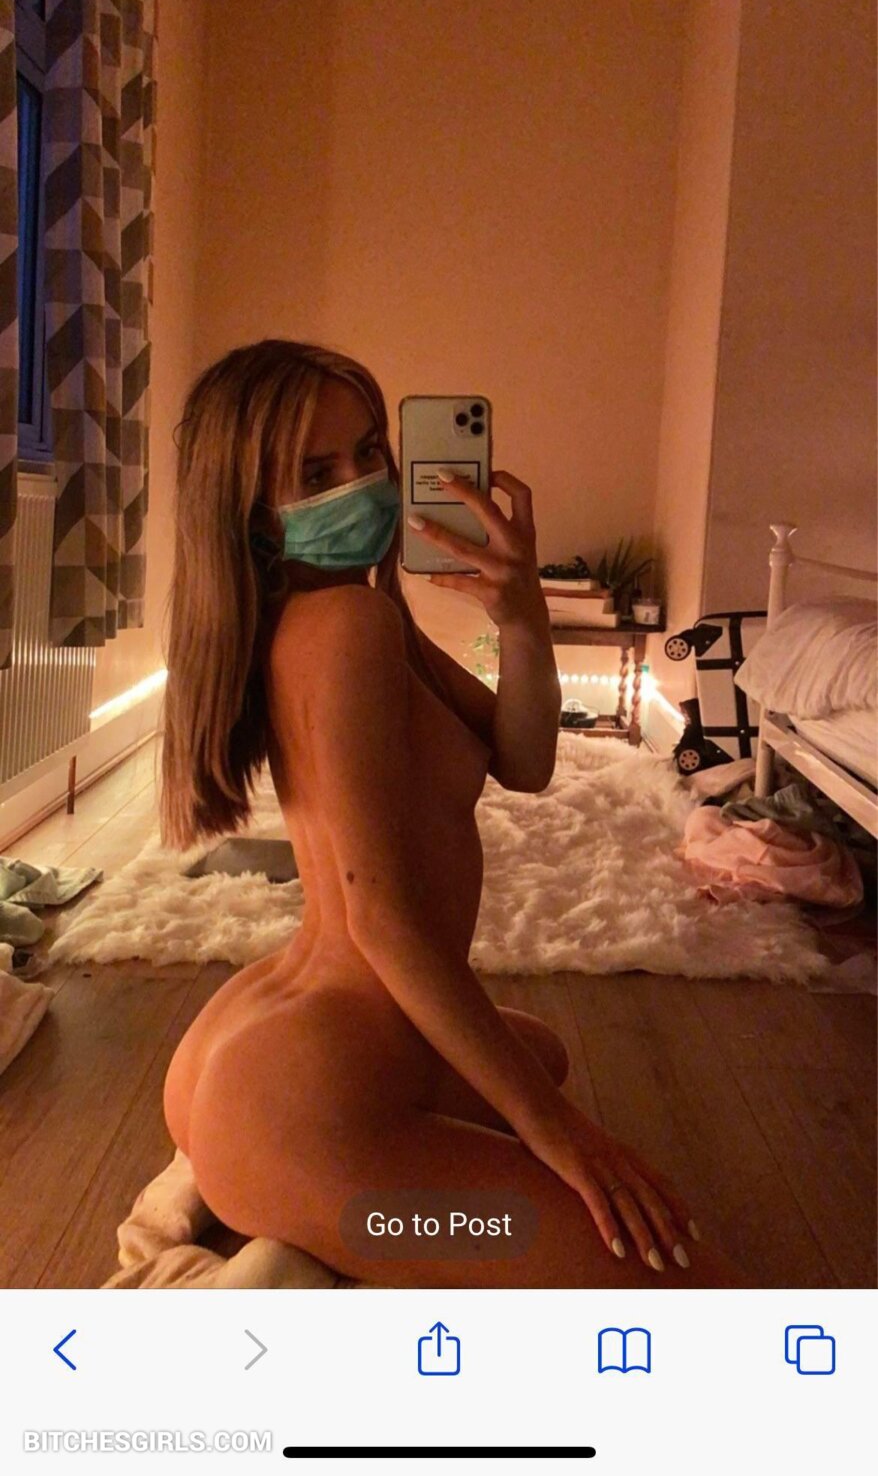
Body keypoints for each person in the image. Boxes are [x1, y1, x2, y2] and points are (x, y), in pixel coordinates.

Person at [160, 338, 742, 1288]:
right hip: (303, 1100)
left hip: (275, 1039)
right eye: (317, 473)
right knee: (689, 1285)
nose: (363, 486)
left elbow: (524, 760)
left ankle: (280, 1213)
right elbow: (382, 922)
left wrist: (521, 613)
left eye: (369, 453)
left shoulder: (359, 613)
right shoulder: (345, 627)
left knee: (539, 1054)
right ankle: (283, 1242)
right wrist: (565, 1140)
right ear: (254, 512)